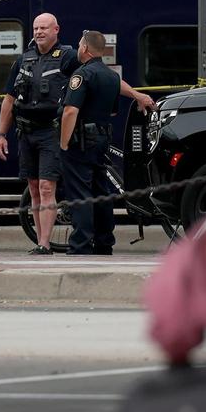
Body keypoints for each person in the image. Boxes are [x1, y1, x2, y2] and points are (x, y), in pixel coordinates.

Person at [0, 12, 154, 254]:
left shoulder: (68, 56)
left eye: (44, 28)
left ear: (56, 29)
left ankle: (46, 244)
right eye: (36, 28)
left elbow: (103, 77)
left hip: (52, 131)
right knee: (35, 188)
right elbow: (9, 99)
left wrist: (137, 94)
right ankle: (42, 242)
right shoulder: (23, 59)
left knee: (48, 186)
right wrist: (0, 134)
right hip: (26, 132)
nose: (38, 32)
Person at [59, 30, 121, 256]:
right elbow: (113, 112)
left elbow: (70, 111)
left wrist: (64, 143)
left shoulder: (81, 75)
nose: (76, 49)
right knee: (100, 190)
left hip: (81, 141)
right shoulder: (112, 76)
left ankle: (81, 244)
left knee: (80, 192)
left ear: (85, 48)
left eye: (78, 45)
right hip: (103, 138)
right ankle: (104, 241)